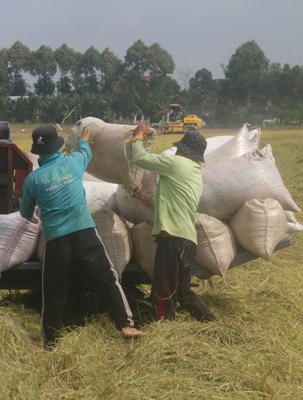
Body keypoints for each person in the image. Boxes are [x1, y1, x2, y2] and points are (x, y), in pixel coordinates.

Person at [19, 125, 144, 347]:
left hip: (57, 240)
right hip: (84, 231)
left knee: (54, 291)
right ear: (57, 145)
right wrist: (85, 138)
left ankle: (51, 341)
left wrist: (35, 212)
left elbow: (25, 213)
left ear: (38, 152)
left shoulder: (33, 180)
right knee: (107, 278)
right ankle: (126, 323)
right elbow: (86, 151)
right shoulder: (73, 162)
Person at [129, 123, 216, 322]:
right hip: (187, 241)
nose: (176, 150)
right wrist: (143, 197)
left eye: (179, 148)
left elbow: (139, 158)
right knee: (183, 291)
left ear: (184, 150)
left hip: (172, 240)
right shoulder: (194, 173)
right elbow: (170, 201)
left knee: (163, 289)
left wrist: (138, 136)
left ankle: (164, 324)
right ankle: (209, 320)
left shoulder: (176, 164)